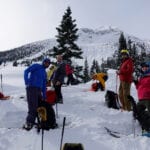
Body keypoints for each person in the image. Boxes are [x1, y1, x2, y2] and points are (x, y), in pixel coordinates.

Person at [23, 58, 51, 130]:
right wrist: (26, 80)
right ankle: (28, 123)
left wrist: (44, 95)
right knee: (33, 106)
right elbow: (26, 71)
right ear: (43, 62)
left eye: (48, 63)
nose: (47, 64)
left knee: (39, 106)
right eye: (46, 62)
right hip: (31, 88)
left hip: (38, 90)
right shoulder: (36, 66)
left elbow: (44, 85)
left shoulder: (45, 73)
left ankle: (37, 121)